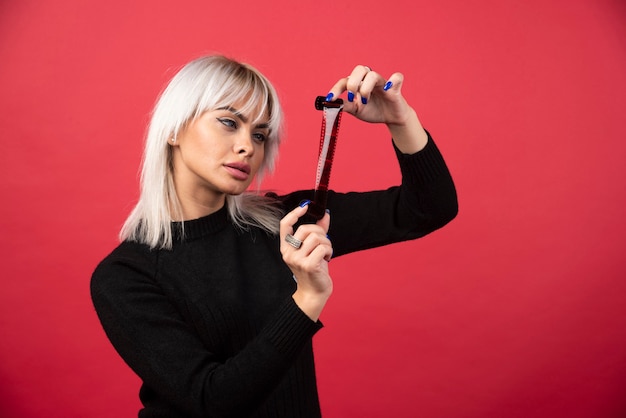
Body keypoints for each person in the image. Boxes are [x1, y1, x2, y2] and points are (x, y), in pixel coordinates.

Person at [91, 54, 458, 418]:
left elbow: (429, 207)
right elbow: (212, 400)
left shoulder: (284, 222)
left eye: (260, 134)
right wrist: (307, 298)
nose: (247, 146)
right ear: (173, 128)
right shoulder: (126, 276)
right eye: (228, 122)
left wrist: (400, 119)